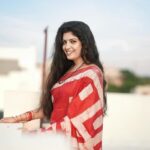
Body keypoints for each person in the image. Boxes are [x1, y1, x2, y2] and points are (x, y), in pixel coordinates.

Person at [0, 21, 107, 150]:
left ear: (84, 43)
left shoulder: (92, 74)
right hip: (56, 141)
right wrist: (16, 119)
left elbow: (80, 120)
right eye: (64, 42)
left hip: (69, 143)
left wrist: (38, 135)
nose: (67, 46)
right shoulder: (65, 73)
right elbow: (51, 109)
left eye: (73, 41)